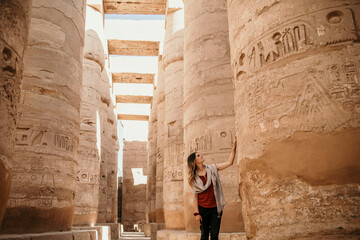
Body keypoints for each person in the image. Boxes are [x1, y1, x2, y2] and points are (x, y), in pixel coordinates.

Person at [187, 137, 237, 240]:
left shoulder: (212, 168)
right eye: (198, 156)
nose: (201, 156)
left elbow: (229, 162)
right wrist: (197, 213)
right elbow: (195, 197)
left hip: (215, 208)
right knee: (204, 235)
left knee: (215, 236)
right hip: (203, 209)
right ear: (195, 161)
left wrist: (234, 148)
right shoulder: (193, 178)